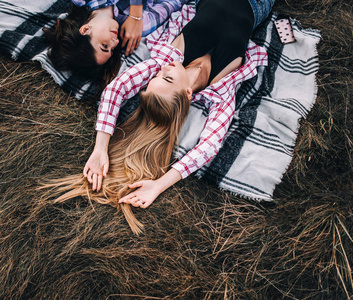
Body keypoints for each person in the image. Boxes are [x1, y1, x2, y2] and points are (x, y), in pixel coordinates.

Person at [41, 0, 274, 233]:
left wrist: (100, 148)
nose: (163, 70)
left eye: (158, 77)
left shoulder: (170, 57)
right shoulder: (221, 90)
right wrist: (159, 185)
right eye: (167, 79)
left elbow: (116, 90)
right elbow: (209, 146)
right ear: (187, 93)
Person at [43, 0, 188, 90]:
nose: (116, 42)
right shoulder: (138, 28)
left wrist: (135, 13)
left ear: (85, 29)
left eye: (104, 46)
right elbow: (174, 2)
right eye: (112, 50)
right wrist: (137, 18)